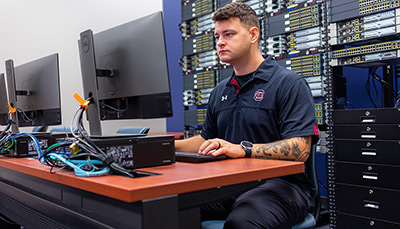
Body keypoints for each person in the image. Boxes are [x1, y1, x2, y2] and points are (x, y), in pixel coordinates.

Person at [175, 2, 319, 228]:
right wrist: (165, 146)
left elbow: (300, 149)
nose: (220, 42)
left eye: (229, 34)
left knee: (242, 222)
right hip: (230, 184)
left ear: (253, 35)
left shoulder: (289, 84)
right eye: (217, 36)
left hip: (282, 186)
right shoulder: (220, 90)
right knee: (168, 207)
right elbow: (206, 140)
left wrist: (244, 149)